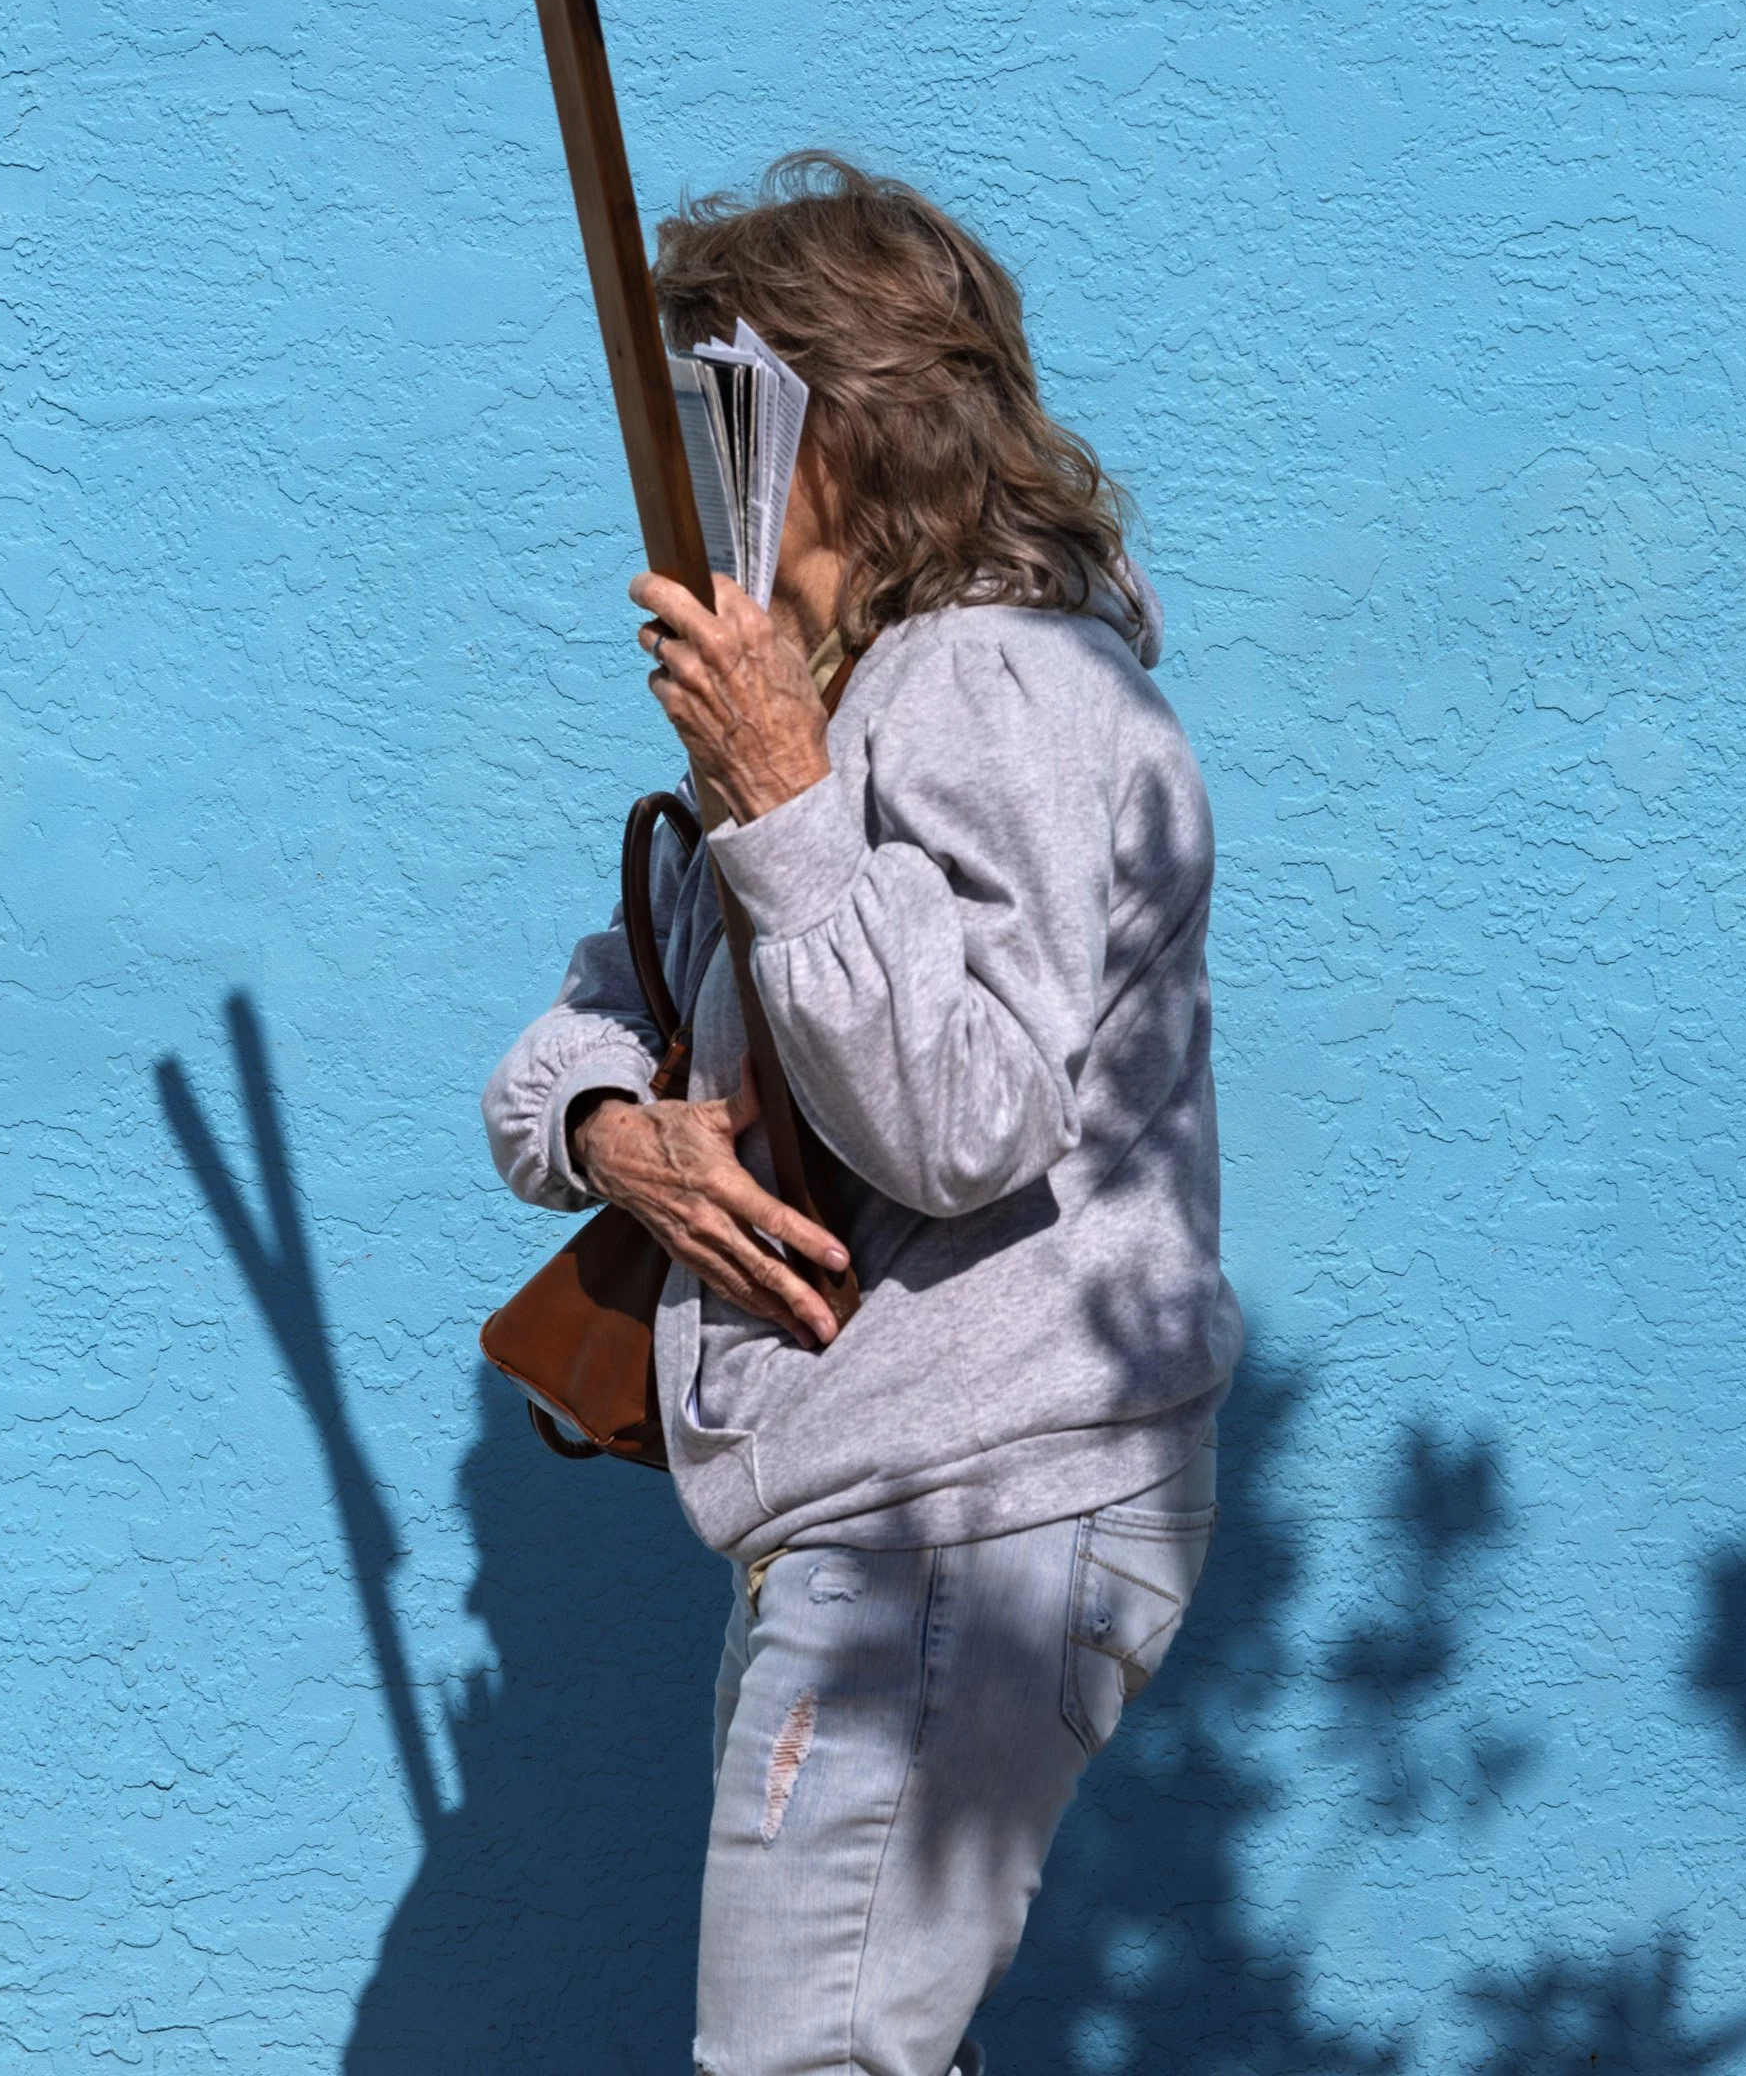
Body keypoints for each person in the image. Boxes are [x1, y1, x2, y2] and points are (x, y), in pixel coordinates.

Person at [483, 154, 1243, 2076]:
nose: (682, 469)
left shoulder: (997, 682)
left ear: (853, 430)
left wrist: (782, 793)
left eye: (719, 413)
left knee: (805, 2062)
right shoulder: (847, 709)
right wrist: (611, 1137)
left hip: (966, 1510)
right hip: (877, 1512)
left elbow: (965, 1118)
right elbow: (562, 1046)